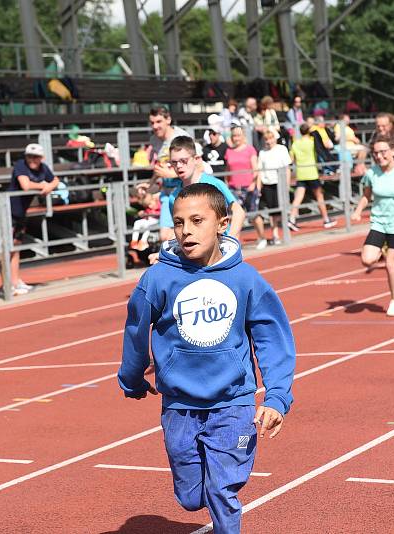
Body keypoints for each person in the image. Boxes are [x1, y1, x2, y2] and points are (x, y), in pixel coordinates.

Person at [118, 182, 295, 534]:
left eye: (197, 221)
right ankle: (200, 493)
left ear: (222, 223)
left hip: (233, 401)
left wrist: (276, 396)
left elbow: (272, 337)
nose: (186, 230)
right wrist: (132, 377)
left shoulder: (245, 278)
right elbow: (136, 331)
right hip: (179, 402)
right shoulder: (157, 278)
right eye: (179, 222)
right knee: (190, 496)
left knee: (221, 488)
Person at [352, 133, 394, 317]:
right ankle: (381, 249)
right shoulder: (371, 174)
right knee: (367, 260)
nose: (379, 156)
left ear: (393, 151)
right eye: (376, 153)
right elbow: (366, 196)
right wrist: (357, 211)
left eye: (383, 152)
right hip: (379, 222)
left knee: (390, 264)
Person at [163, 136, 245, 240]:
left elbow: (238, 211)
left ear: (196, 159)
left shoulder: (214, 184)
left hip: (220, 249)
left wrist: (231, 239)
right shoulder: (174, 197)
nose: (178, 166)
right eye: (174, 162)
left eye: (183, 160)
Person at [6, 143, 59, 295]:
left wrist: (50, 186)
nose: (32, 159)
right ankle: (7, 283)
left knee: (16, 248)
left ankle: (15, 281)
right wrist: (42, 185)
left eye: (35, 157)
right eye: (29, 156)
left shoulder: (43, 168)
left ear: (41, 158)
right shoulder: (21, 165)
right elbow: (25, 185)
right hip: (9, 210)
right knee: (8, 248)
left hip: (21, 212)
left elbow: (55, 180)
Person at [143, 107, 191, 242]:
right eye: (152, 123)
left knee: (186, 233)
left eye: (159, 122)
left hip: (184, 192)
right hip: (167, 193)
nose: (155, 126)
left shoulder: (181, 137)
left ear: (168, 119)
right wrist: (149, 184)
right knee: (165, 236)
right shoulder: (154, 140)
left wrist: (171, 174)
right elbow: (160, 167)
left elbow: (196, 166)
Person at [289, 122, 336, 230]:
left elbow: (292, 159)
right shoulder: (311, 142)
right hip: (311, 173)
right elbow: (324, 148)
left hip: (301, 173)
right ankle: (326, 219)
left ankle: (291, 219)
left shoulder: (295, 143)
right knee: (319, 196)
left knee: (298, 197)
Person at [253, 130, 291, 249]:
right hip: (268, 184)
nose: (269, 141)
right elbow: (259, 171)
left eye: (270, 138)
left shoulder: (281, 149)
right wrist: (258, 187)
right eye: (266, 139)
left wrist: (287, 184)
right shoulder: (262, 153)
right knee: (272, 210)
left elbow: (287, 168)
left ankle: (284, 231)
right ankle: (275, 234)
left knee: (282, 209)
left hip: (280, 183)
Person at [225, 126, 259, 218]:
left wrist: (253, 184)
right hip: (233, 189)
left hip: (248, 188)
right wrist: (227, 184)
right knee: (235, 217)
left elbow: (255, 168)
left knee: (253, 217)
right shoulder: (228, 151)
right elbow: (228, 170)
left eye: (238, 135)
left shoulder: (250, 149)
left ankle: (261, 233)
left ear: (243, 136)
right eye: (234, 136)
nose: (236, 138)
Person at [309, 113, 335, 178]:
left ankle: (333, 167)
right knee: (321, 154)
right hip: (319, 147)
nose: (324, 123)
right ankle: (327, 170)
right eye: (322, 121)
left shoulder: (323, 128)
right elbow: (316, 141)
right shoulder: (314, 129)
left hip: (328, 146)